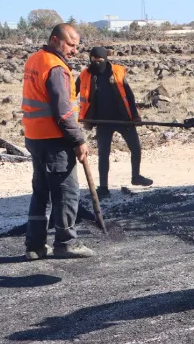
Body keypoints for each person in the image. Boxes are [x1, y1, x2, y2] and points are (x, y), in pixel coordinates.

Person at [21, 24, 94, 260]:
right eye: (70, 45)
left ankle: (35, 245)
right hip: (54, 140)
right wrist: (79, 140)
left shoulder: (34, 60)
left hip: (34, 137)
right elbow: (63, 113)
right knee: (66, 192)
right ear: (55, 40)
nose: (74, 50)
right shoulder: (56, 68)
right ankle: (66, 242)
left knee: (40, 192)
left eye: (76, 45)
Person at [76, 46, 152, 199]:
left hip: (123, 118)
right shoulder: (86, 74)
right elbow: (72, 92)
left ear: (106, 59)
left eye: (100, 60)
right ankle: (103, 188)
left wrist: (135, 116)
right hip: (102, 121)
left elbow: (129, 95)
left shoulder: (117, 72)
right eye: (93, 60)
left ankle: (136, 176)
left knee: (136, 147)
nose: (96, 63)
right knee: (103, 154)